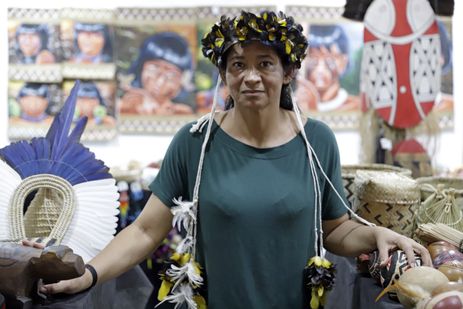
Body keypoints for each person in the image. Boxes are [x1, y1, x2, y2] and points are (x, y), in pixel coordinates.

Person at [28, 11, 431, 309]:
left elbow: (335, 230)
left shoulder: (316, 141)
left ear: (288, 72)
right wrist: (91, 274)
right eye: (238, 65)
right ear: (224, 75)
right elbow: (146, 231)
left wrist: (376, 234)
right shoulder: (195, 142)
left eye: (265, 64)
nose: (251, 76)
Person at [119, 32, 194, 115]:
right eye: (154, 69)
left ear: (181, 81)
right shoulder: (125, 106)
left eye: (171, 76)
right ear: (141, 67)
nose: (160, 81)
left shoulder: (182, 113)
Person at [295, 25, 360, 113]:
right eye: (314, 59)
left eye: (329, 60)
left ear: (343, 62)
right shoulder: (295, 104)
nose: (320, 70)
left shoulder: (355, 106)